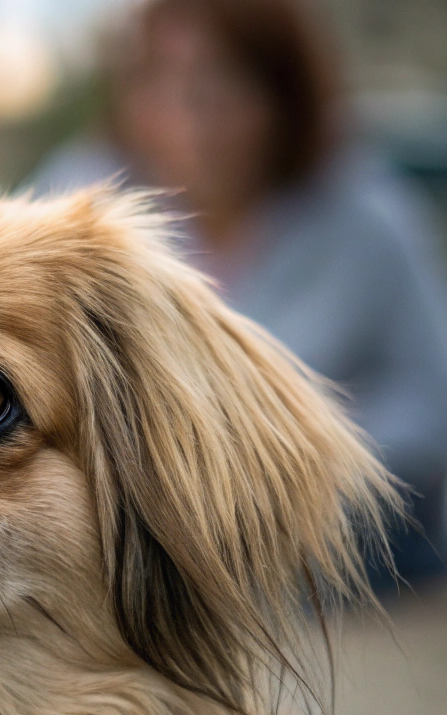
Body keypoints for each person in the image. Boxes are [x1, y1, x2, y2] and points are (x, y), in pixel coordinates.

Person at [29, 0, 447, 587]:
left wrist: (297, 470)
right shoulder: (74, 202)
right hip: (135, 530)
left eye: (221, 87)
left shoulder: (367, 218)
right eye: (162, 83)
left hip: (328, 535)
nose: (189, 119)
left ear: (283, 97)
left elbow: (429, 395)